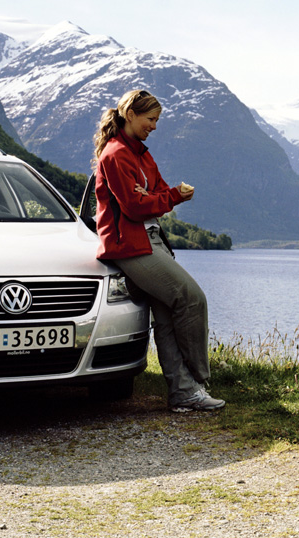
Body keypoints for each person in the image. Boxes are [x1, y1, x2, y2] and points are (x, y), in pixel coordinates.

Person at [93, 89, 224, 413]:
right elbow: (137, 208)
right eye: (151, 119)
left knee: (166, 316)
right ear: (131, 115)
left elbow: (157, 193)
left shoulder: (141, 154)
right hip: (130, 245)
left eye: (157, 120)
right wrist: (169, 197)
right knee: (192, 297)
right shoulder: (115, 155)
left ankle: (183, 393)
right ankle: (199, 376)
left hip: (150, 240)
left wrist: (160, 195)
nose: (154, 126)